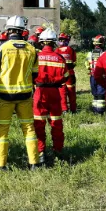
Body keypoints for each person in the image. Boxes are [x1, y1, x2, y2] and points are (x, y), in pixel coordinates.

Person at [0, 16, 40, 170]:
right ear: (23, 30)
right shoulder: (32, 49)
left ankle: (0, 166)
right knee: (29, 129)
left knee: (2, 130)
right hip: (25, 95)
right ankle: (34, 163)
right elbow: (35, 74)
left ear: (8, 29)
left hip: (5, 95)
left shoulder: (0, 49)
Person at [34, 29, 69, 165]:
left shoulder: (36, 57)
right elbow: (66, 76)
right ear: (54, 43)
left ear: (41, 42)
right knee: (56, 123)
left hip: (40, 92)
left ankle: (40, 152)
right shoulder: (59, 58)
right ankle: (58, 152)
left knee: (39, 123)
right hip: (55, 92)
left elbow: (31, 76)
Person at [56, 32, 78, 114]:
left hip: (60, 75)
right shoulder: (71, 50)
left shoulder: (56, 50)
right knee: (71, 92)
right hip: (70, 74)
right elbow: (75, 62)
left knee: (62, 93)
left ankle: (64, 109)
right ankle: (73, 109)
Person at [86, 35, 106, 115]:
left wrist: (90, 68)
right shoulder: (104, 53)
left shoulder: (90, 54)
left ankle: (95, 109)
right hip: (102, 76)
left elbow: (87, 65)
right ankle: (100, 111)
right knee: (101, 95)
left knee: (95, 94)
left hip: (92, 76)